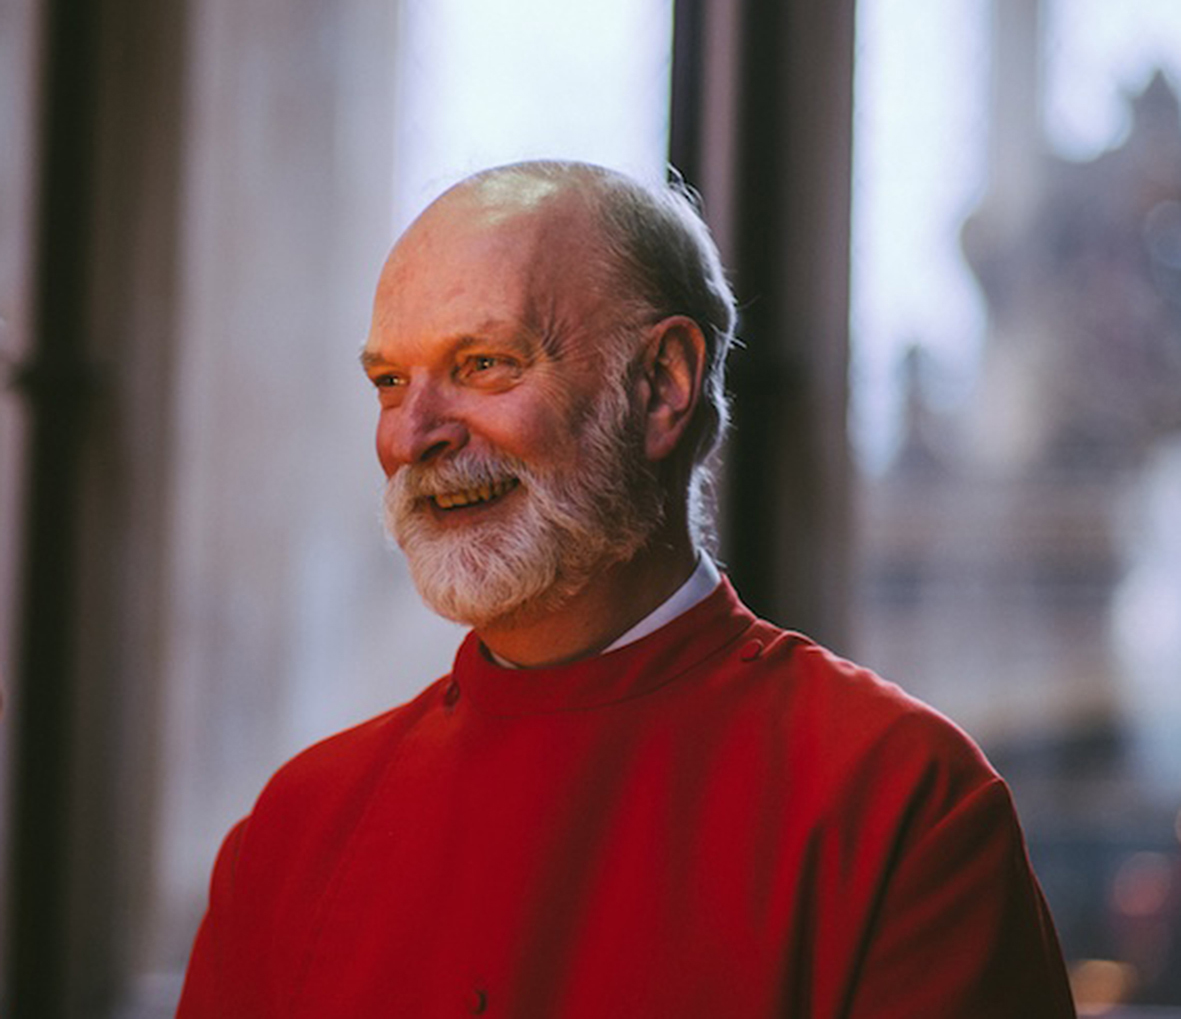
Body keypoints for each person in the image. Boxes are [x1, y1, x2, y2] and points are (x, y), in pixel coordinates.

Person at [177, 161, 1076, 1017]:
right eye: (388, 381)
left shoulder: (895, 801)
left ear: (662, 386)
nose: (414, 435)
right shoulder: (295, 831)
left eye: (483, 363)